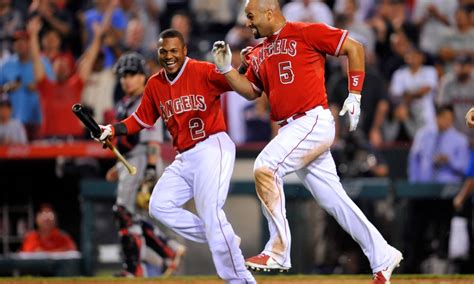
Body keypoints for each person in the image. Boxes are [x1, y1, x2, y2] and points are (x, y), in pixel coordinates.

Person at [211, 0, 402, 283]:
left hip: (311, 119)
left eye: (251, 16)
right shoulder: (259, 51)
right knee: (335, 201)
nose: (247, 23)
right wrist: (227, 69)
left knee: (265, 167)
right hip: (293, 129)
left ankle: (278, 249)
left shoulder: (305, 31)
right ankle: (383, 254)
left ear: (269, 12)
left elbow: (355, 48)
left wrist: (355, 94)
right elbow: (251, 92)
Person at [96, 29, 256, 283]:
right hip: (185, 157)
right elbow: (140, 119)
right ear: (157, 53)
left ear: (184, 51)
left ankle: (241, 280)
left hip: (212, 146)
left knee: (211, 213)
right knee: (159, 206)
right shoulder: (155, 84)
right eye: (163, 51)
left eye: (173, 50)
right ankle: (222, 234)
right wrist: (112, 129)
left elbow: (238, 83)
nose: (169, 56)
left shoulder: (202, 70)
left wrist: (241, 65)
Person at [105, 51, 185, 277]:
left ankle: (138, 267)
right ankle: (167, 252)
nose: (126, 79)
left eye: (132, 74)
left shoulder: (146, 100)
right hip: (129, 161)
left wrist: (150, 171)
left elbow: (152, 141)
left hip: (141, 161)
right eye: (124, 75)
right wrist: (117, 166)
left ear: (143, 76)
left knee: (124, 213)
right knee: (131, 217)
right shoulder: (125, 102)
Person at [408, 104, 469, 183]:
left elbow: (464, 168)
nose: (447, 121)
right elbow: (414, 160)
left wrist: (449, 160)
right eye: (444, 118)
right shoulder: (422, 135)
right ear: (436, 117)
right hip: (424, 185)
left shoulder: (461, 140)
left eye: (450, 119)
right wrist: (413, 183)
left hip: (449, 187)